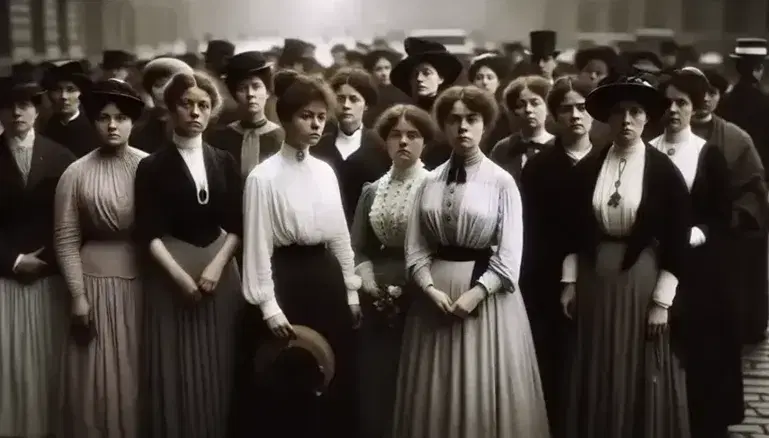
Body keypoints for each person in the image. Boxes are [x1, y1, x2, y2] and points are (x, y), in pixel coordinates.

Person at [393, 85, 550, 438]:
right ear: (444, 127)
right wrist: (429, 289)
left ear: (485, 125)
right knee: (437, 389)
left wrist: (476, 294)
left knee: (481, 385)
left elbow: (510, 254)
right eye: (454, 120)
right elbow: (415, 247)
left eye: (471, 119)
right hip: (435, 300)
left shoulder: (501, 181)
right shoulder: (428, 181)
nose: (463, 127)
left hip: (486, 300)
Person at [560, 75, 691, 437]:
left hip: (640, 279)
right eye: (619, 112)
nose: (627, 120)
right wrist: (569, 282)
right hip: (594, 278)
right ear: (607, 118)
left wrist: (662, 301)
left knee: (636, 362)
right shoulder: (589, 166)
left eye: (636, 111)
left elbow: (678, 240)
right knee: (596, 360)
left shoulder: (663, 171)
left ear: (648, 118)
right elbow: (573, 229)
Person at [237, 71, 362, 438]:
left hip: (325, 282)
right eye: (307, 116)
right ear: (287, 118)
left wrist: (351, 291)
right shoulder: (263, 177)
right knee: (287, 382)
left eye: (322, 117)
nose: (316, 124)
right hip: (285, 283)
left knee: (329, 377)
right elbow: (257, 247)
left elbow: (340, 236)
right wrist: (268, 307)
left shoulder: (325, 172)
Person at [134, 70, 244, 438]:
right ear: (170, 109)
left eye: (204, 105)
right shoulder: (151, 166)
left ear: (212, 112)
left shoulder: (224, 160)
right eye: (187, 104)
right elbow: (146, 233)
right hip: (171, 276)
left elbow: (237, 225)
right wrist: (179, 277)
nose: (195, 112)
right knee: (177, 366)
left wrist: (216, 266)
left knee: (220, 361)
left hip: (220, 271)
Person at [54, 78, 148, 438]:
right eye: (104, 117)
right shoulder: (75, 173)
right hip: (94, 284)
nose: (112, 125)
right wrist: (78, 296)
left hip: (143, 281)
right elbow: (65, 238)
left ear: (132, 122)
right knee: (98, 373)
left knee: (138, 367)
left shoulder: (149, 166)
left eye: (121, 117)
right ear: (93, 122)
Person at [651, 69, 736, 438]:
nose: (673, 110)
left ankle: (701, 422)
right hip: (651, 262)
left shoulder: (707, 154)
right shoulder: (647, 150)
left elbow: (721, 215)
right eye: (667, 102)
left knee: (698, 345)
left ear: (695, 106)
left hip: (698, 270)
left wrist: (695, 235)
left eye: (681, 103)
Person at [350, 104, 435, 438]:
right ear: (384, 142)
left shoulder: (434, 185)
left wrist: (418, 285)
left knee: (417, 376)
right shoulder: (373, 190)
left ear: (424, 142)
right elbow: (358, 245)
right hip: (378, 295)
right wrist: (368, 281)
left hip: (422, 292)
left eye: (412, 135)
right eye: (395, 135)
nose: (403, 142)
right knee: (380, 376)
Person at [519, 76, 596, 437]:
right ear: (554, 115)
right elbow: (531, 230)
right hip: (546, 278)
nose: (576, 115)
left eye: (582, 107)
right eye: (566, 109)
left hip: (599, 271)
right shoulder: (538, 167)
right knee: (552, 358)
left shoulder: (608, 158)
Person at [0, 71, 75, 438]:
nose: (17, 113)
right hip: (4, 281)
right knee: (10, 365)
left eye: (25, 105)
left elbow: (71, 219)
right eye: (9, 106)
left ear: (36, 110)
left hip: (50, 279)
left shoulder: (61, 158)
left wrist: (47, 260)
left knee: (49, 363)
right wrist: (13, 260)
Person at [312, 67, 390, 225]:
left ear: (366, 104)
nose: (346, 105)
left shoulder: (381, 146)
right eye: (340, 99)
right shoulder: (318, 146)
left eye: (354, 99)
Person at [207, 51, 284, 179]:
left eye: (256, 86)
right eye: (242, 88)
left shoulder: (281, 138)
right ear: (234, 95)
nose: (250, 94)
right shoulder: (221, 139)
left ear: (268, 92)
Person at [490, 75, 554, 182]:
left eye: (535, 103)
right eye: (521, 105)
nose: (528, 109)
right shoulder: (503, 148)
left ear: (548, 108)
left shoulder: (560, 147)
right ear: (514, 110)